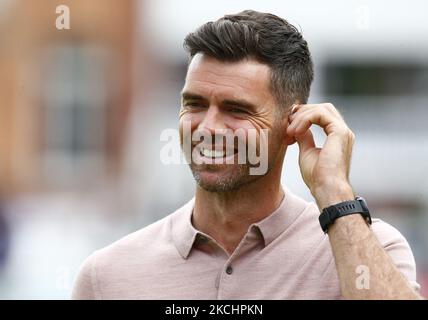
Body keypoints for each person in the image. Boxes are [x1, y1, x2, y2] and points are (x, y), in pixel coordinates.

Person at [72, 10, 422, 299]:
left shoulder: (366, 249)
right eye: (194, 104)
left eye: (236, 110)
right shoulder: (107, 277)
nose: (208, 127)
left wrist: (334, 192)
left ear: (294, 124)